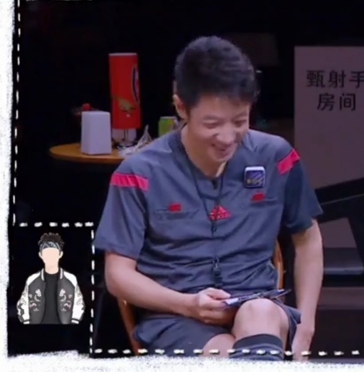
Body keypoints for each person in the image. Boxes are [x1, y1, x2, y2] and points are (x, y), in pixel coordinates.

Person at [94, 36, 324, 360]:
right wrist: (187, 304)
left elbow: (308, 238)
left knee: (259, 311)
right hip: (176, 315)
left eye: (240, 121)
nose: (228, 138)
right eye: (212, 124)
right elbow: (117, 275)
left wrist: (307, 326)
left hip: (258, 305)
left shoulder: (276, 157)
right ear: (181, 107)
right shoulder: (139, 173)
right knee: (225, 355)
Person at [17, 233, 85, 325]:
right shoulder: (32, 280)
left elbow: (78, 304)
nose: (50, 257)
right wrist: (27, 324)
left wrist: (73, 323)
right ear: (40, 255)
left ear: (60, 254)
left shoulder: (71, 279)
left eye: (53, 253)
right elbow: (23, 304)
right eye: (47, 254)